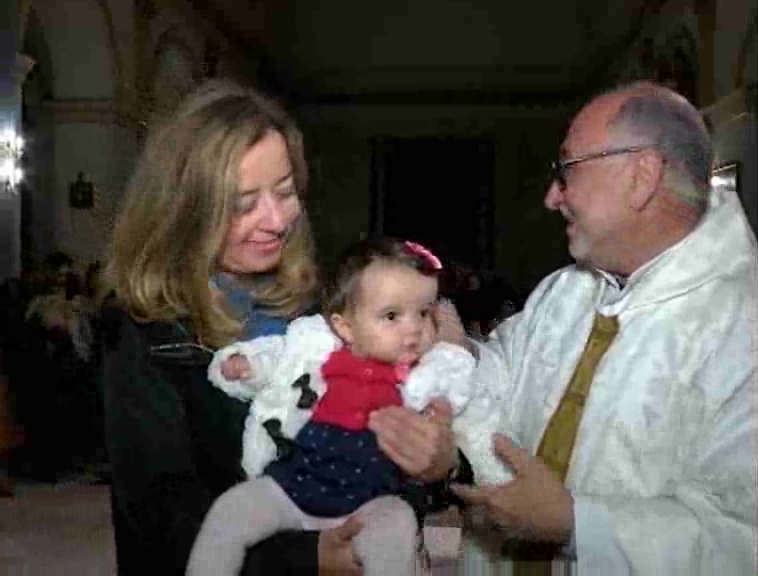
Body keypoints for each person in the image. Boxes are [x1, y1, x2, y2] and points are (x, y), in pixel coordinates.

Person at [98, 78, 459, 576]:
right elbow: (160, 516)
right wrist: (308, 559)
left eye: (286, 191)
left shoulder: (327, 311)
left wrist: (435, 464)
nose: (276, 220)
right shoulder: (143, 330)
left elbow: (377, 453)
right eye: (244, 204)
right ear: (187, 208)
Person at [443, 81, 756, 574]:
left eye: (566, 170)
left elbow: (742, 537)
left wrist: (576, 525)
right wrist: (451, 351)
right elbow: (504, 375)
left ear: (641, 175)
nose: (552, 197)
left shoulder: (743, 322)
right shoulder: (564, 291)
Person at [187, 237, 479, 576]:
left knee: (397, 526)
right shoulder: (316, 346)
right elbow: (279, 356)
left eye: (424, 313)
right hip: (294, 486)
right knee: (230, 510)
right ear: (345, 326)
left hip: (370, 499)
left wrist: (452, 350)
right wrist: (246, 364)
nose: (413, 328)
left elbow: (456, 388)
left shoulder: (425, 375)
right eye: (391, 316)